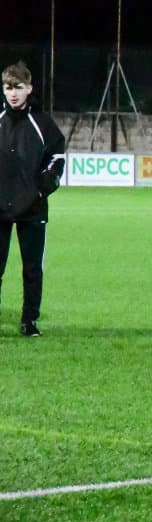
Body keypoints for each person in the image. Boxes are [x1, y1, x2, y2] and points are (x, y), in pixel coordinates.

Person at [0, 61, 65, 337]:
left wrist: (41, 189)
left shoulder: (43, 123)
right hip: (0, 207)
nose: (12, 93)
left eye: (18, 87)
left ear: (29, 88)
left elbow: (57, 158)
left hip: (33, 208)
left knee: (32, 270)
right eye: (7, 88)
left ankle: (29, 321)